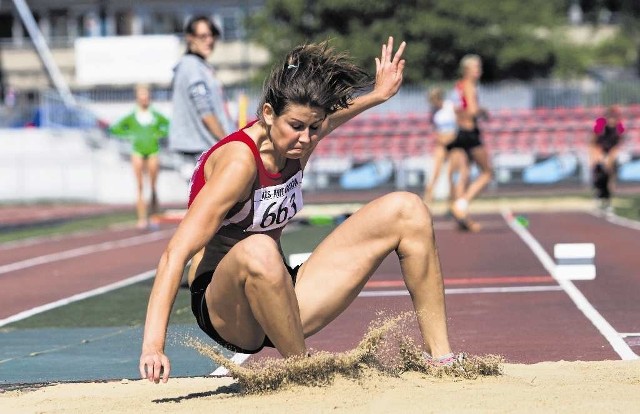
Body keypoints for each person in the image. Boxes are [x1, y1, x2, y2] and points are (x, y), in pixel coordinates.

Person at [139, 37, 455, 384]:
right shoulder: (239, 164)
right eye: (296, 127)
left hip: (281, 295)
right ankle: (303, 372)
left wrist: (378, 95)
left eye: (314, 128)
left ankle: (440, 359)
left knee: (408, 209)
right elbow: (175, 254)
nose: (306, 139)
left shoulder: (301, 138)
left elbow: (332, 118)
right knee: (258, 247)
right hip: (227, 308)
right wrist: (153, 345)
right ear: (268, 114)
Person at [168, 15, 235, 178]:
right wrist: (229, 141)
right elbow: (205, 111)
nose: (209, 41)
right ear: (190, 38)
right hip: (197, 152)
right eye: (203, 36)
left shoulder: (200, 66)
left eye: (212, 36)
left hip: (204, 149)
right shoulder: (191, 67)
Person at [109, 85, 170, 229]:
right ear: (137, 98)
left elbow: (167, 125)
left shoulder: (155, 115)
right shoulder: (132, 116)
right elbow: (115, 128)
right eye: (141, 96)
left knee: (153, 186)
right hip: (137, 151)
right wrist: (129, 136)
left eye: (146, 96)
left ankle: (154, 216)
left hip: (153, 151)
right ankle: (142, 218)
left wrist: (159, 134)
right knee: (140, 186)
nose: (144, 99)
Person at [447, 54, 493, 232]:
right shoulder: (468, 84)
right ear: (467, 69)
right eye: (476, 67)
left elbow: (458, 109)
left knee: (464, 173)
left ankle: (462, 216)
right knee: (487, 172)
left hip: (460, 132)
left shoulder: (457, 86)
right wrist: (483, 111)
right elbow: (472, 111)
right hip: (470, 132)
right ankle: (462, 204)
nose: (479, 71)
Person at [422, 87, 468, 205]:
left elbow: (460, 123)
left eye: (434, 101)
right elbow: (435, 129)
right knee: (435, 172)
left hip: (454, 143)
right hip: (441, 144)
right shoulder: (434, 111)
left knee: (452, 173)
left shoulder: (450, 106)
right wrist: (440, 139)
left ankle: (452, 201)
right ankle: (428, 200)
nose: (433, 104)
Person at [589, 105, 625, 213]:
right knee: (599, 174)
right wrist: (597, 156)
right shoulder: (600, 123)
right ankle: (599, 196)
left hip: (611, 153)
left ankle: (608, 200)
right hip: (599, 151)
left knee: (610, 174)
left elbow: (617, 144)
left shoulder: (619, 126)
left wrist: (610, 158)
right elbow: (593, 142)